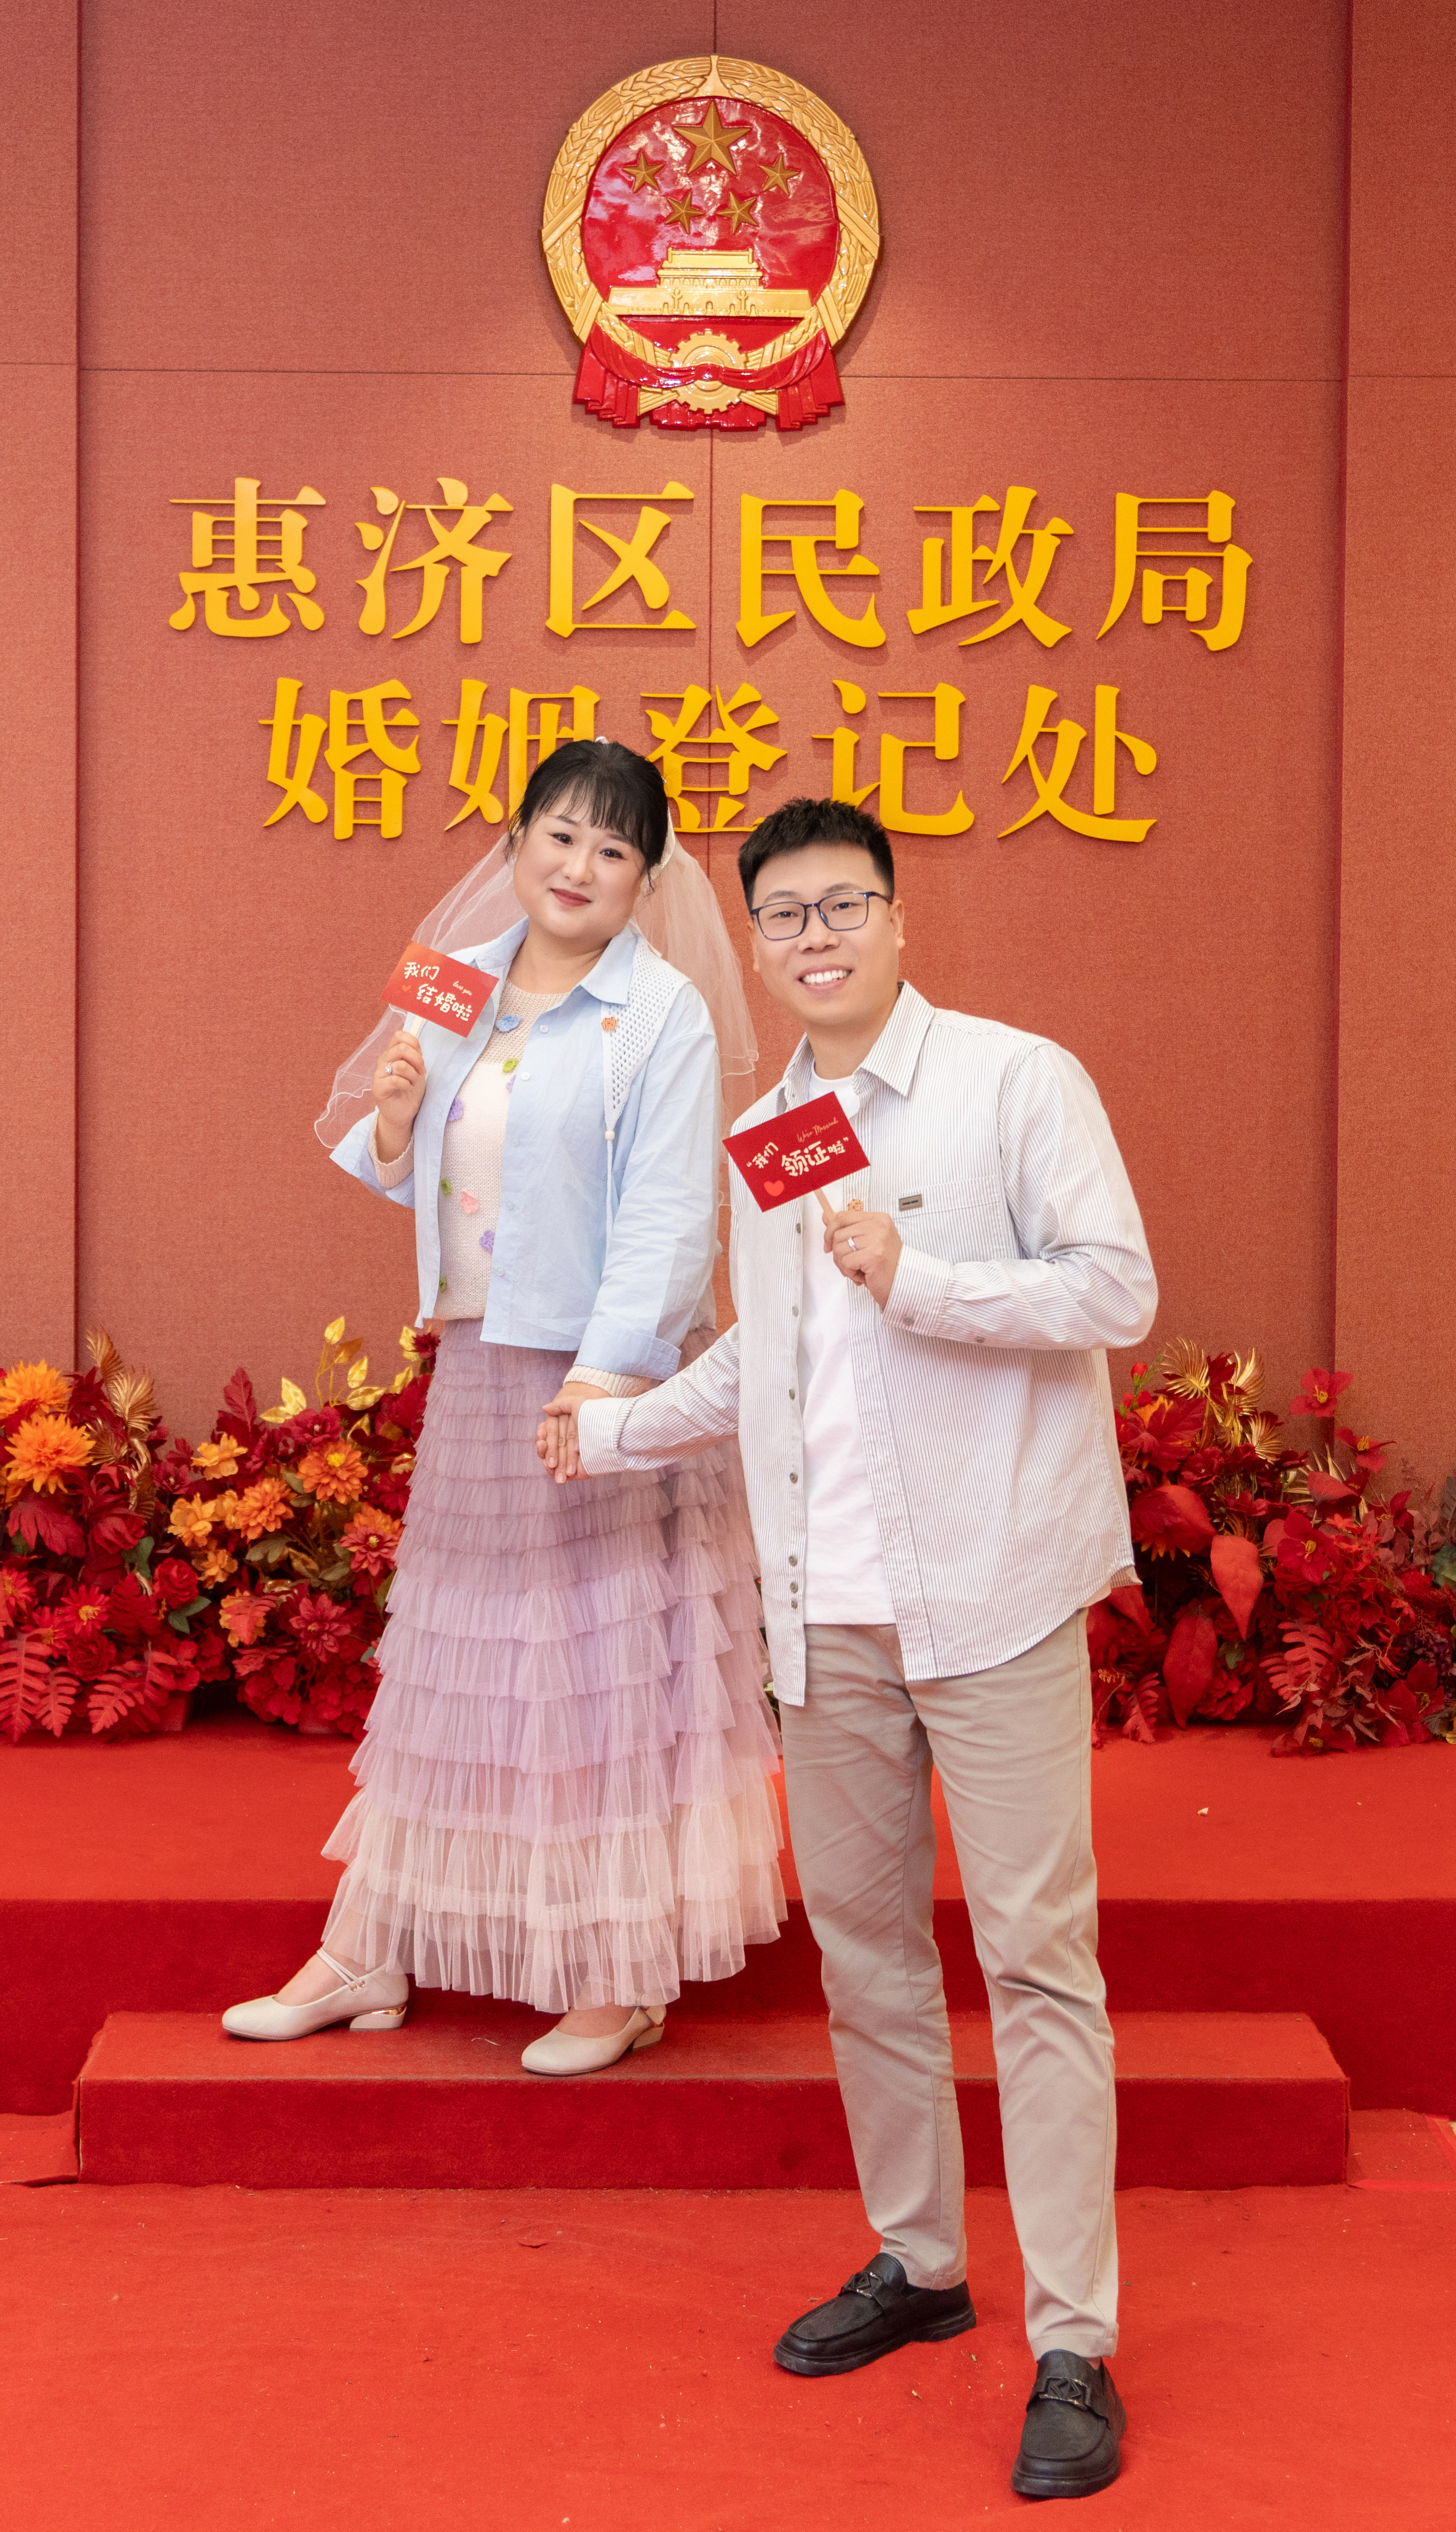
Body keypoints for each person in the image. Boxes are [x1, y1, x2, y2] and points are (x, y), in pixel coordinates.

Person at [563, 796, 1156, 2498]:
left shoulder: (1013, 1081)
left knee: (1038, 1963)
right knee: (869, 1958)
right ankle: (922, 2260)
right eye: (787, 917)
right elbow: (766, 1359)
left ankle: (1075, 2342)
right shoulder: (772, 1133)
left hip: (993, 1593)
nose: (815, 938)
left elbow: (1115, 1290)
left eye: (845, 906)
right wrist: (610, 1431)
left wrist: (925, 1275)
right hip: (827, 1612)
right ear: (756, 946)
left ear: (899, 918)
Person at [222, 740, 784, 2074]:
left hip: (595, 1373)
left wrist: (606, 1383)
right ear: (517, 839)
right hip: (481, 1363)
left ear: (647, 878)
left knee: (595, 1673)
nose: (579, 867)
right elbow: (418, 1168)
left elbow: (671, 1219)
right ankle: (374, 1946)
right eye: (560, 835)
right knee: (455, 1661)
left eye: (614, 849)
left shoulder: (661, 1013)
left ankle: (617, 1971)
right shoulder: (460, 980)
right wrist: (398, 1119)